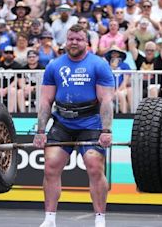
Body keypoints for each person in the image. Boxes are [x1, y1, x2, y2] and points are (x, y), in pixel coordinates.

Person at [33, 24, 114, 227]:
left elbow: (105, 101)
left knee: (95, 168)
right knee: (50, 168)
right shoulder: (54, 66)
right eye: (71, 39)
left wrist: (106, 130)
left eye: (78, 39)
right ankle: (50, 218)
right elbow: (45, 101)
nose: (74, 42)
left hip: (91, 123)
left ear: (86, 42)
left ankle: (100, 219)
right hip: (62, 122)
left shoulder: (99, 65)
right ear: (65, 41)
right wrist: (40, 130)